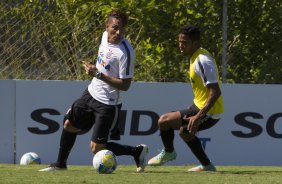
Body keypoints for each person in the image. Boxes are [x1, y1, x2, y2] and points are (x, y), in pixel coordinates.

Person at [39, 8, 148, 173]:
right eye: (114, 28)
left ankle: (136, 151)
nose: (118, 32)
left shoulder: (126, 52)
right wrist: (95, 71)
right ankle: (60, 164)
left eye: (121, 29)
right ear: (107, 27)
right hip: (91, 93)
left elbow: (125, 85)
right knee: (69, 124)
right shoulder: (104, 37)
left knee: (97, 149)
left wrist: (97, 74)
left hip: (108, 103)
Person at [147, 24, 224, 172]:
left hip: (210, 111)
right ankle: (207, 165)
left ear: (195, 43)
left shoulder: (203, 60)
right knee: (185, 132)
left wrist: (198, 116)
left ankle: (169, 152)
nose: (180, 46)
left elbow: (215, 92)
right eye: (179, 42)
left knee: (164, 121)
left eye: (185, 43)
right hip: (199, 106)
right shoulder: (195, 56)